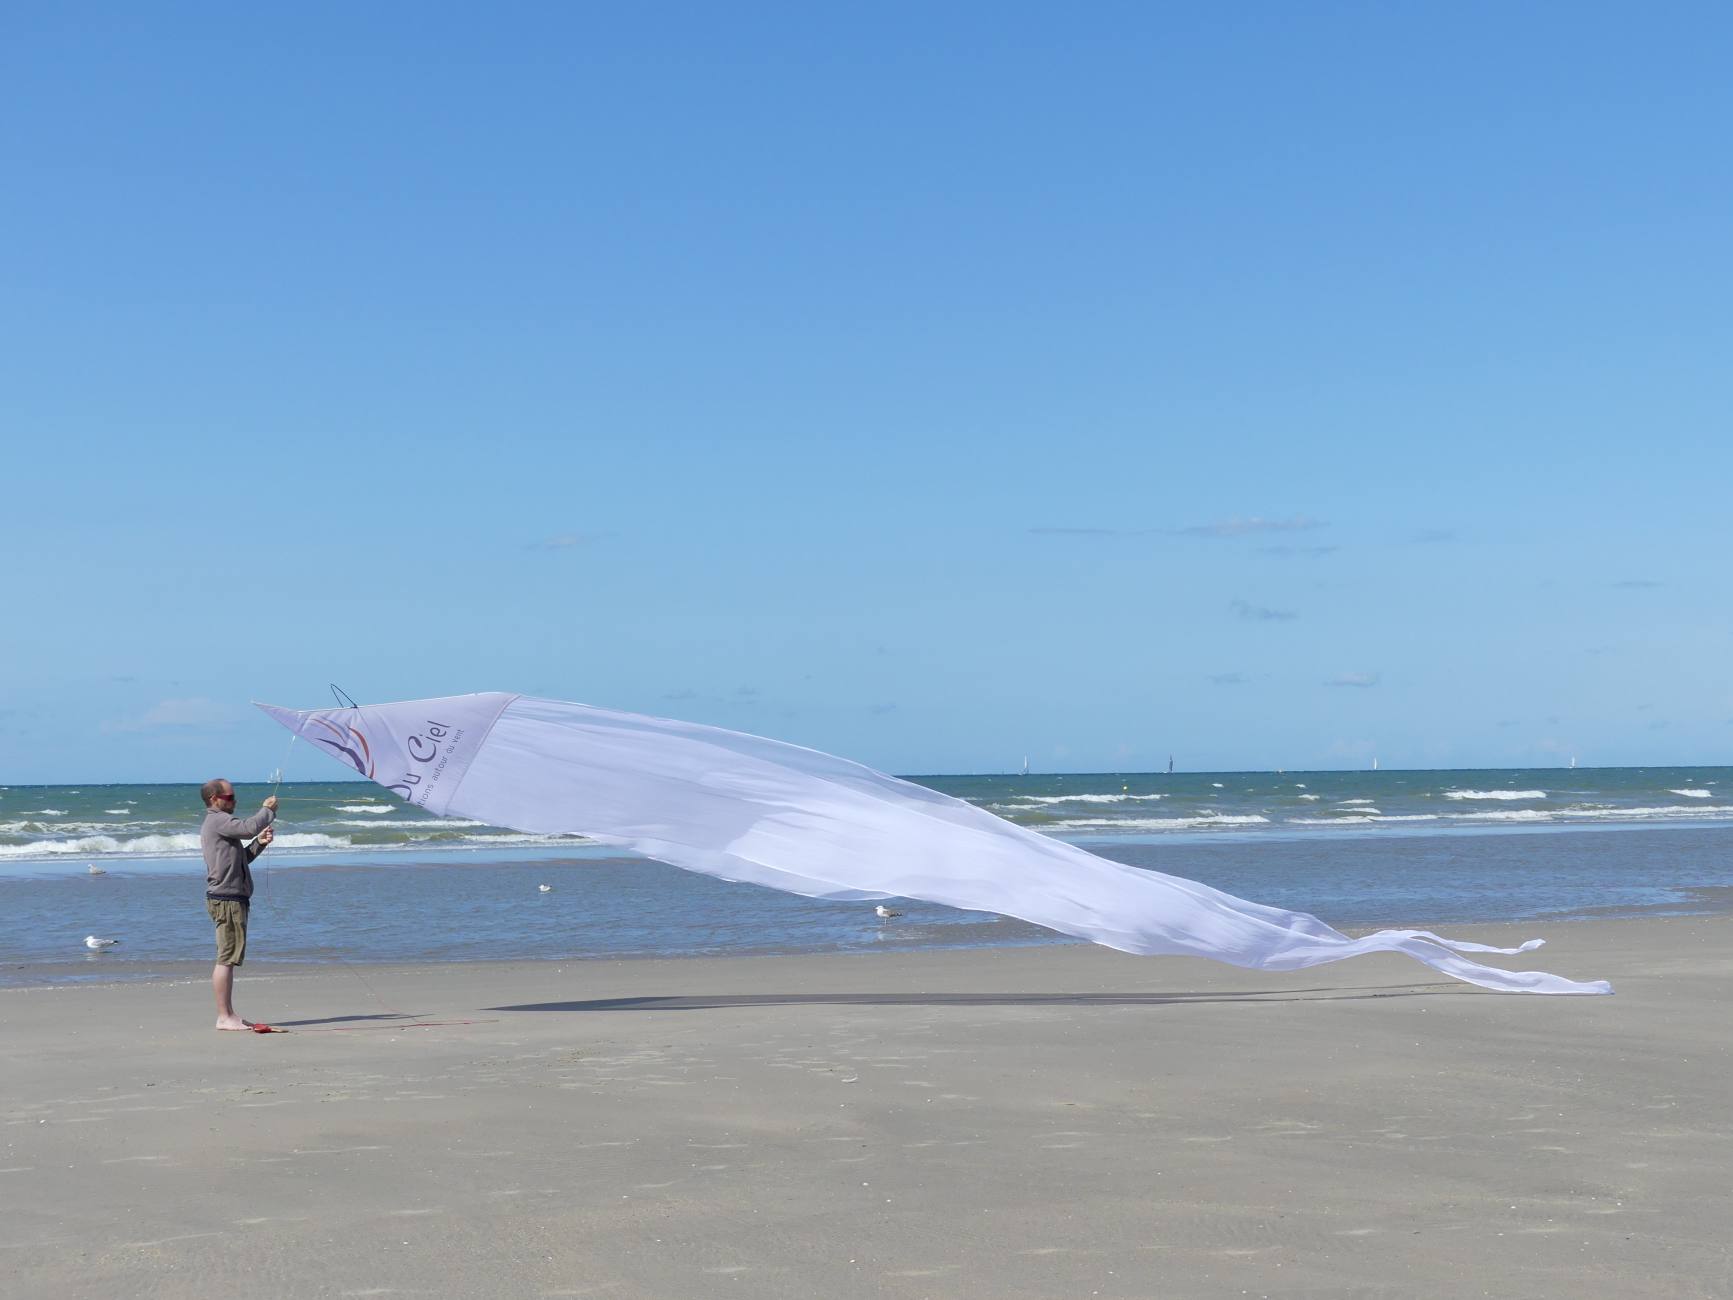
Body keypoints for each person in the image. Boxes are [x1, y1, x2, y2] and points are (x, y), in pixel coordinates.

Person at [199, 779, 277, 1030]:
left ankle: (228, 1015)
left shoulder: (220, 824)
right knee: (226, 958)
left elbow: (240, 859)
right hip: (226, 899)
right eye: (230, 797)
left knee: (229, 957)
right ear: (214, 799)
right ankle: (225, 1016)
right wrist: (268, 810)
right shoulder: (217, 819)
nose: (235, 801)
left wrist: (259, 844)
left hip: (232, 897)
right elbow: (247, 827)